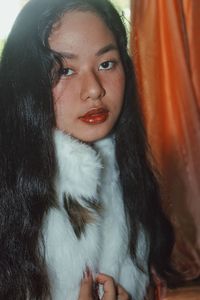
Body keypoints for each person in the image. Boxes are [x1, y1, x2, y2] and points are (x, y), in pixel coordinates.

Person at [0, 0, 175, 299]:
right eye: (65, 70)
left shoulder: (129, 180)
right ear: (26, 82)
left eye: (106, 64)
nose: (94, 89)